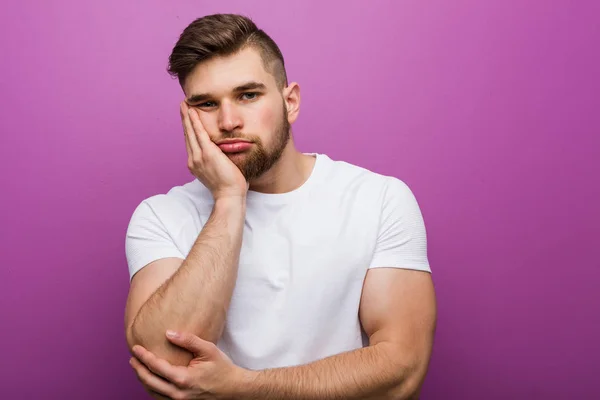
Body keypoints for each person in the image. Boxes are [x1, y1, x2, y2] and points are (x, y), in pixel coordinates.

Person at [124, 13, 436, 400]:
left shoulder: (380, 199)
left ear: (290, 102)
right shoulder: (160, 217)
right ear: (187, 116)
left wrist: (243, 387)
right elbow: (163, 365)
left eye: (248, 95)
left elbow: (402, 372)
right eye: (206, 104)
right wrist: (228, 199)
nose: (228, 121)